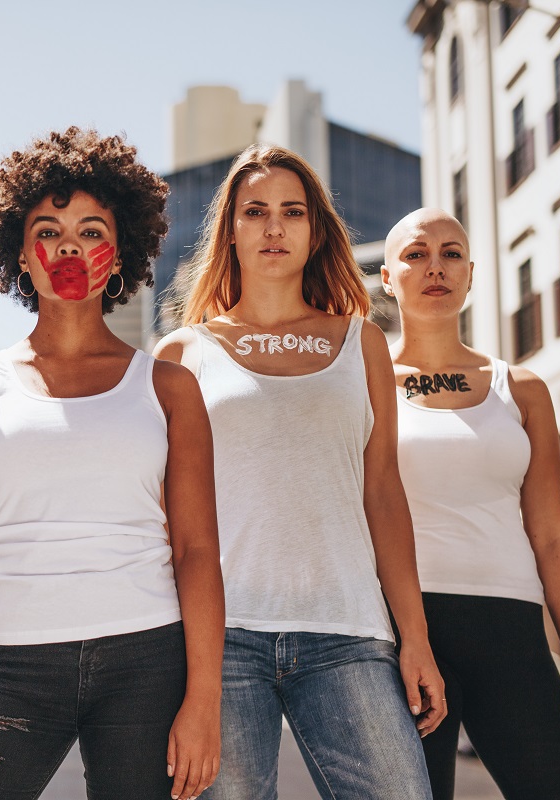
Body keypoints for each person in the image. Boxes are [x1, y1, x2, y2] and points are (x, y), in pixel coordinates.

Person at [0, 127, 224, 800]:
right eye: (49, 231)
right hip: (13, 661)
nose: (69, 248)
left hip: (147, 659)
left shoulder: (169, 389)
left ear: (119, 257)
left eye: (91, 232)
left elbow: (198, 550)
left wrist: (203, 700)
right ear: (21, 256)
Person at [155, 144, 445, 800]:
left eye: (292, 211)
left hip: (348, 631)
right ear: (230, 228)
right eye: (255, 212)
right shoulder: (181, 354)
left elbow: (383, 493)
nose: (274, 226)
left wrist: (415, 636)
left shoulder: (360, 341)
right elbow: (166, 516)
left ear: (316, 231)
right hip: (219, 642)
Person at [381, 207, 560, 799]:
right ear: (387, 277)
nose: (436, 267)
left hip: (512, 631)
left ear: (472, 274)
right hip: (404, 633)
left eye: (451, 254)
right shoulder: (363, 382)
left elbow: (553, 535)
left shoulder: (521, 388)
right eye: (416, 254)